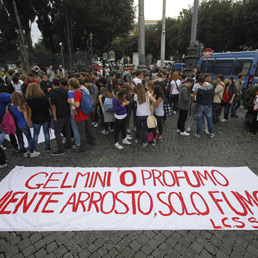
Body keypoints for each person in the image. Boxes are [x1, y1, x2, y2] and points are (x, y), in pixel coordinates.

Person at [10, 92, 40, 158]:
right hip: (23, 123)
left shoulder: (9, 106)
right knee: (29, 138)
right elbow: (25, 116)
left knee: (20, 138)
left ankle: (24, 151)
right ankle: (32, 152)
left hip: (15, 124)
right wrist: (29, 122)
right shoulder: (22, 105)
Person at [25, 83, 51, 152]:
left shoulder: (29, 99)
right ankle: (47, 147)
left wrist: (29, 120)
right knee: (46, 132)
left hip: (36, 118)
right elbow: (48, 106)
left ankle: (35, 148)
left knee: (36, 134)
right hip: (45, 116)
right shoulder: (44, 97)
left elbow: (29, 111)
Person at [50, 79, 72, 155]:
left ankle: (60, 148)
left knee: (57, 132)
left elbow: (53, 106)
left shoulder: (53, 94)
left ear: (53, 85)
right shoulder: (64, 91)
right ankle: (68, 144)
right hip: (67, 113)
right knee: (67, 130)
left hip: (59, 115)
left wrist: (54, 117)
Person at [134, 83, 156, 147]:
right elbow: (155, 101)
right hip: (146, 114)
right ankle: (144, 142)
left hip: (138, 114)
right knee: (145, 129)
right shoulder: (147, 95)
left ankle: (136, 139)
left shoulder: (136, 96)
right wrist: (151, 105)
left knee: (138, 127)